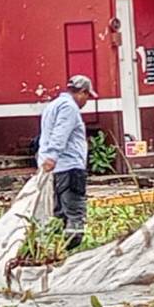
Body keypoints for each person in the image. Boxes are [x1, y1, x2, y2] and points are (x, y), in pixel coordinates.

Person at [37, 75, 98, 251]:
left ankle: (56, 249)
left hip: (56, 169)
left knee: (59, 213)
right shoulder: (69, 108)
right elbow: (60, 133)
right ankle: (72, 250)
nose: (86, 101)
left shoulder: (53, 105)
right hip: (69, 168)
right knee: (74, 211)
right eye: (87, 96)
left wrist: (48, 160)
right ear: (82, 92)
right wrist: (52, 157)